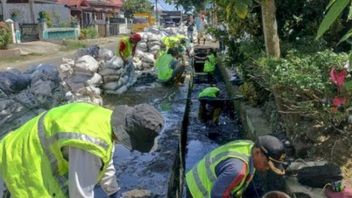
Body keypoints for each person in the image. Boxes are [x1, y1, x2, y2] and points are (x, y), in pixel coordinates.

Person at [0, 102, 164, 198]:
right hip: (21, 162)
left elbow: (106, 161)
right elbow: (80, 194)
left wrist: (113, 191)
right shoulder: (91, 146)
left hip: (20, 143)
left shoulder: (104, 119)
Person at [185, 135, 287, 198]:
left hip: (196, 178)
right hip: (199, 192)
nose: (267, 168)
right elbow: (217, 195)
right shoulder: (237, 170)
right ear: (257, 152)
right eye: (267, 164)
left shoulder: (249, 145)